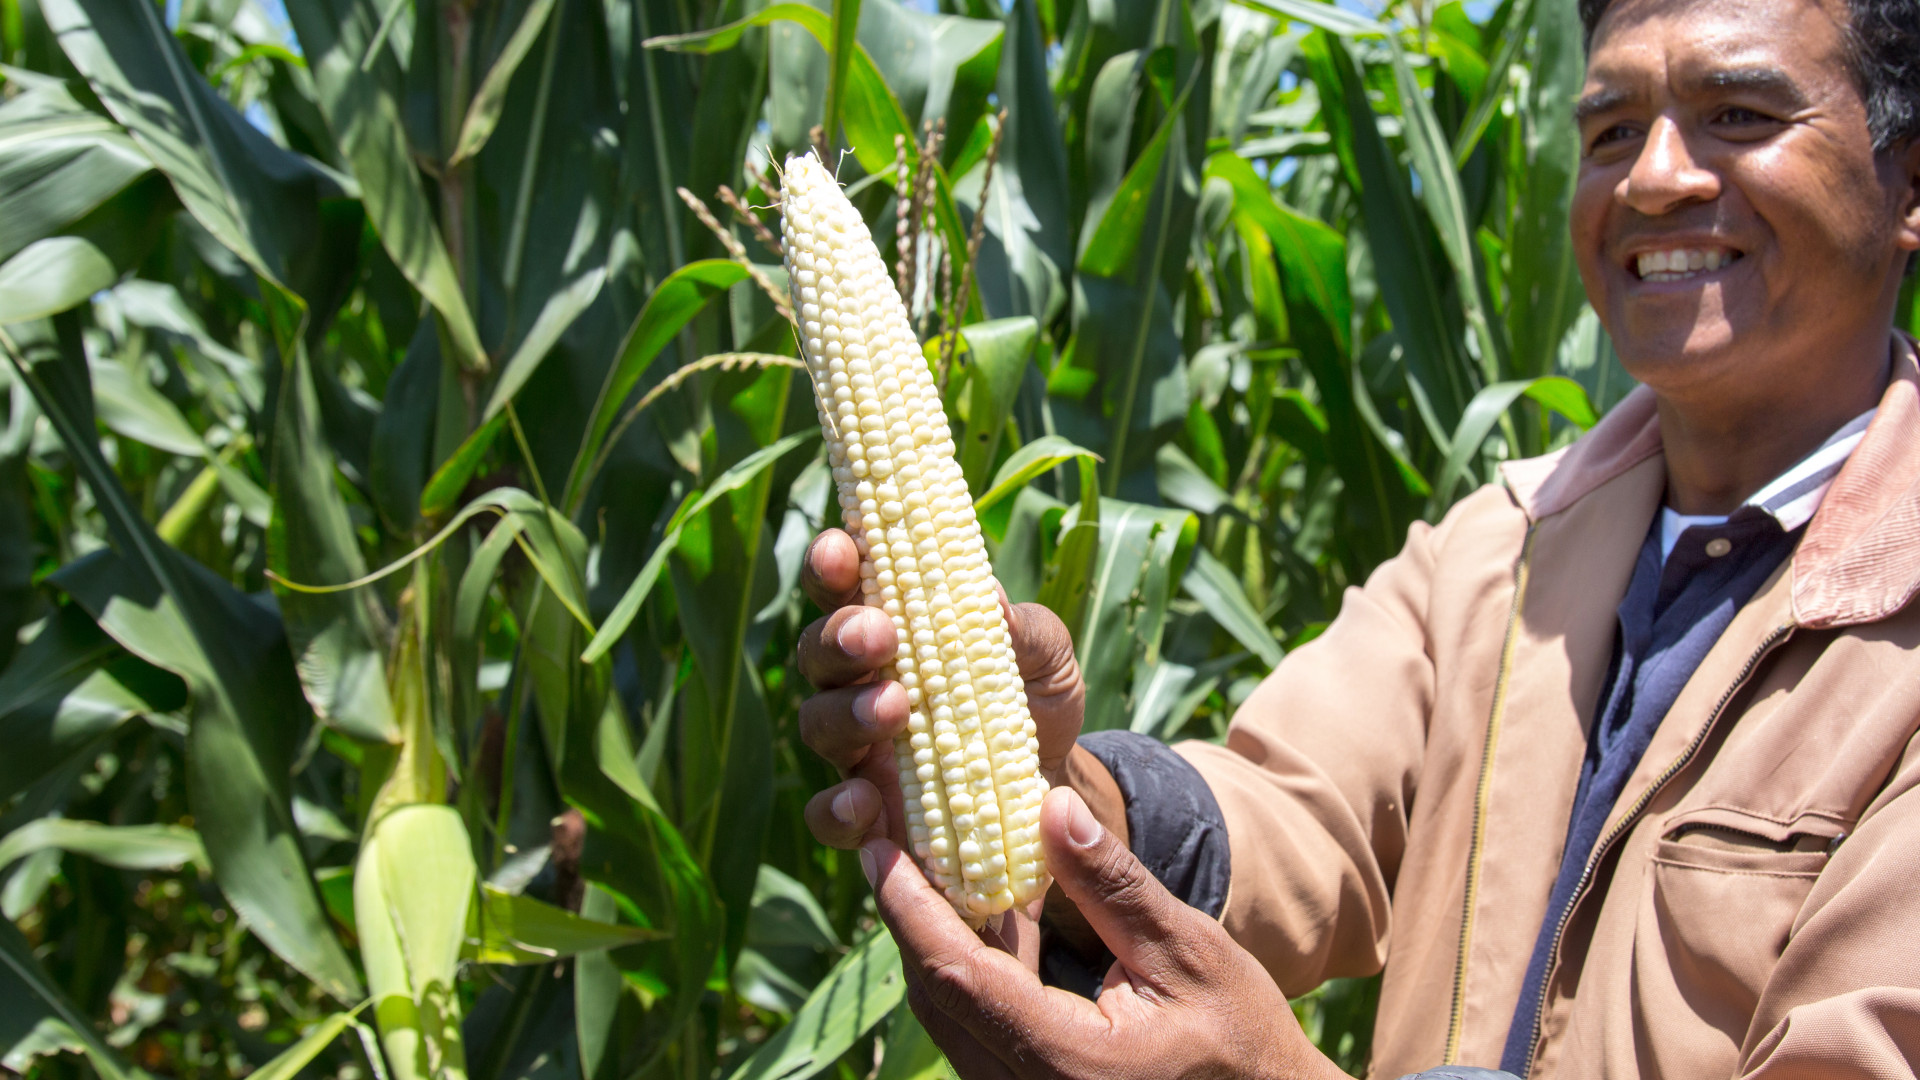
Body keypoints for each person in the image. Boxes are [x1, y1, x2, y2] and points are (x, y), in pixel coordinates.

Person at [792, 0, 1920, 1071]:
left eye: (1739, 114)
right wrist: (1052, 794)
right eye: (1612, 131)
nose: (1655, 176)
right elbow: (1296, 811)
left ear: (1910, 181)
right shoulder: (1495, 555)